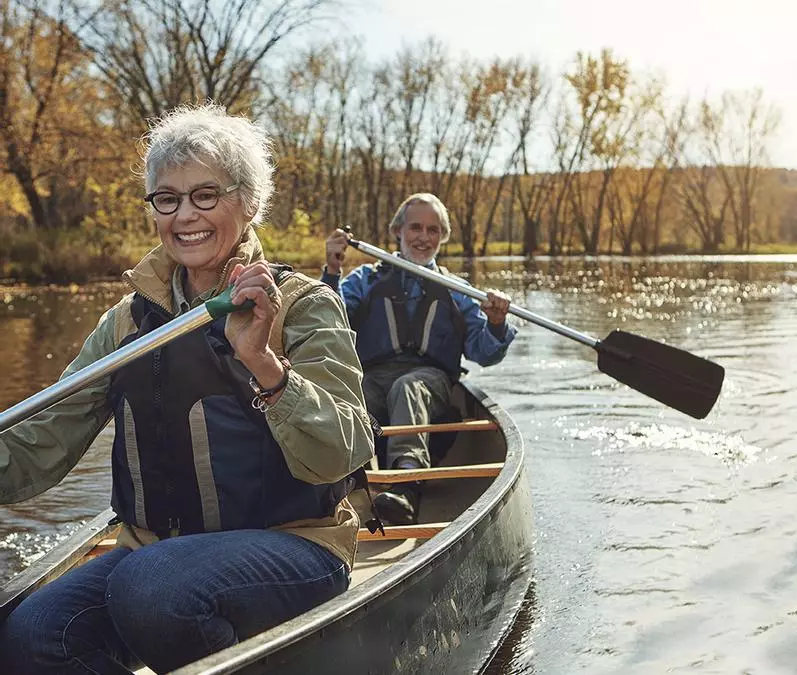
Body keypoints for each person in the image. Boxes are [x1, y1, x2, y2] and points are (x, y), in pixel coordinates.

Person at [0, 104, 375, 674]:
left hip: (296, 546)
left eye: (206, 195)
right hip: (152, 556)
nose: (184, 216)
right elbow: (40, 442)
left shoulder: (303, 304)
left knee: (151, 590)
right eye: (167, 198)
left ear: (248, 203)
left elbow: (345, 450)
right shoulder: (126, 325)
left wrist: (265, 364)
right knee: (33, 635)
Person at [322, 193, 515, 525]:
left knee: (407, 387)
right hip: (373, 377)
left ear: (442, 237)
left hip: (430, 382)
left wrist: (497, 323)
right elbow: (326, 323)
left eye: (433, 230)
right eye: (416, 228)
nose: (424, 238)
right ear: (398, 230)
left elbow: (484, 352)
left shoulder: (457, 290)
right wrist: (332, 270)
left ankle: (406, 485)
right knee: (351, 391)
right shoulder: (365, 280)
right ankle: (346, 485)